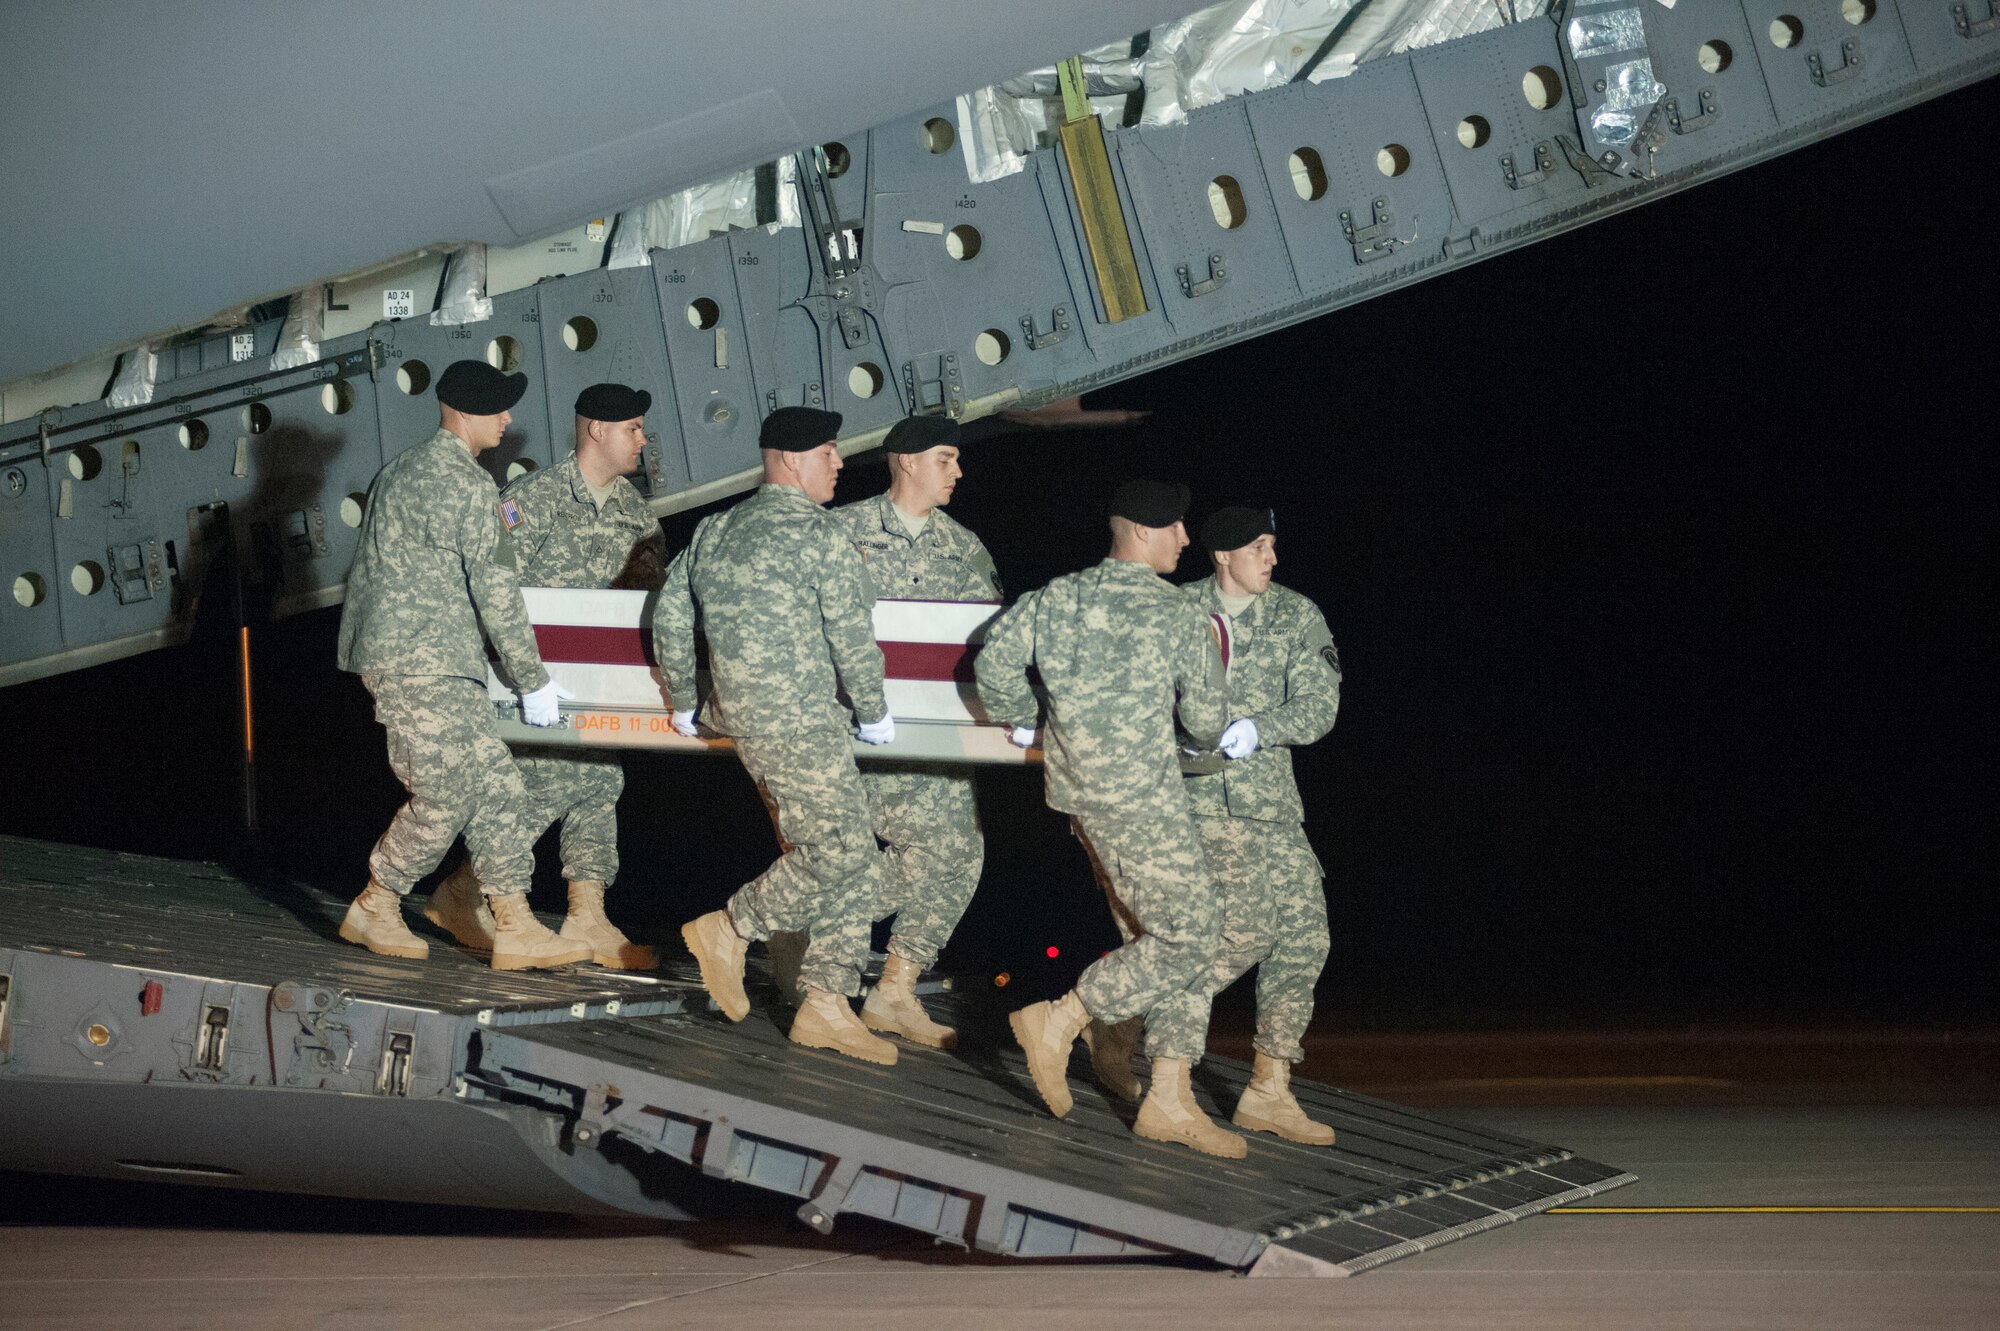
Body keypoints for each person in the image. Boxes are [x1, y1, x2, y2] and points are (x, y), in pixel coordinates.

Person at [974, 479, 1244, 1159]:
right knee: (1193, 934)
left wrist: (1032, 719)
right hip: (1144, 797)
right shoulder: (1179, 613)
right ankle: (1061, 1017)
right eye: (1178, 528)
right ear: (1145, 532)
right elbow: (1206, 722)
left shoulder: (1057, 596)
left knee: (1161, 936)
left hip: (1083, 797)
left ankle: (1169, 1098)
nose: (1187, 540)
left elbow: (995, 662)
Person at [651, 406, 900, 1065]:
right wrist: (874, 710)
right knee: (842, 850)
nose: (839, 462)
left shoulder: (714, 528)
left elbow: (671, 617)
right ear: (790, 461)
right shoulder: (819, 535)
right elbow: (853, 635)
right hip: (797, 714)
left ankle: (825, 1004)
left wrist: (683, 700)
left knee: (846, 846)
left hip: (740, 715)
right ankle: (729, 928)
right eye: (828, 452)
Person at [334, 359, 589, 971]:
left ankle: (515, 922)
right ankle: (377, 901)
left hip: (420, 657)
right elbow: (496, 592)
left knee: (498, 784)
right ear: (467, 412)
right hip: (424, 662)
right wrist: (535, 681)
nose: (507, 419)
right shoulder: (469, 486)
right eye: (499, 408)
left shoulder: (400, 471)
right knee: (446, 792)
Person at [775, 413, 1002, 1049]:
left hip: (934, 737)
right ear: (906, 461)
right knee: (889, 853)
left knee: (963, 855)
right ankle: (794, 915)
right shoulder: (839, 532)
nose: (957, 471)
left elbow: (988, 643)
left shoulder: (964, 547)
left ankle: (894, 988)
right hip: (853, 732)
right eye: (945, 459)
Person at [424, 383, 661, 970]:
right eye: (632, 427)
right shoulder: (533, 500)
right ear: (596, 431)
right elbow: (488, 589)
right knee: (544, 786)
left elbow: (652, 600)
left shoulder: (638, 515)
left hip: (600, 681)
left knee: (602, 783)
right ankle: (463, 892)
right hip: (528, 679)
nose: (642, 438)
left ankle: (587, 911)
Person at [1182, 506, 1341, 1145]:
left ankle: (1269, 1089)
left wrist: (1263, 728)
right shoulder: (1177, 612)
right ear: (1223, 555)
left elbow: (1319, 704)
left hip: (1271, 804)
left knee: (1306, 937)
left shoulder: (1296, 615)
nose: (1271, 558)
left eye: (1273, 546)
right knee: (1242, 934)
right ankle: (1123, 1014)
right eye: (1258, 547)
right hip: (1195, 801)